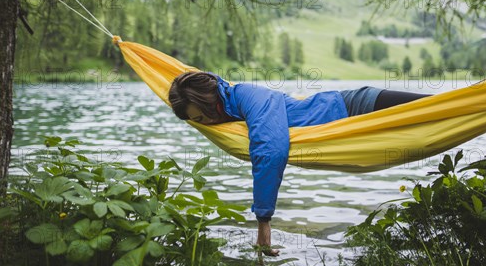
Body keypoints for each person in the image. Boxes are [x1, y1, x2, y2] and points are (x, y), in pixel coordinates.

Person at [168, 71, 430, 256]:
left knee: (443, 108)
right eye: (197, 122)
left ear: (211, 102)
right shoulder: (226, 109)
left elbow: (270, 150)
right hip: (349, 124)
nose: (205, 124)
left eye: (202, 117)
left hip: (359, 107)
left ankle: (474, 99)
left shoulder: (250, 96)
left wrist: (263, 221)